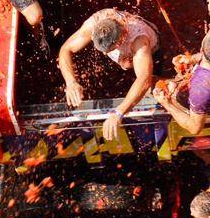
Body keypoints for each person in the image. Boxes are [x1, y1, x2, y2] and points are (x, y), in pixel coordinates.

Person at [57, 8, 158, 141]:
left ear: (122, 38)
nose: (104, 54)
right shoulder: (93, 24)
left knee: (152, 90)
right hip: (124, 54)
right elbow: (66, 49)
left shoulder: (139, 41)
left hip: (154, 51)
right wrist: (71, 82)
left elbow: (144, 80)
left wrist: (119, 112)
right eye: (103, 51)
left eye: (110, 49)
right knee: (126, 65)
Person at [153, 29, 210, 138]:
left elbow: (194, 128)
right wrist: (190, 59)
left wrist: (166, 103)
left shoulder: (201, 90)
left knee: (159, 87)